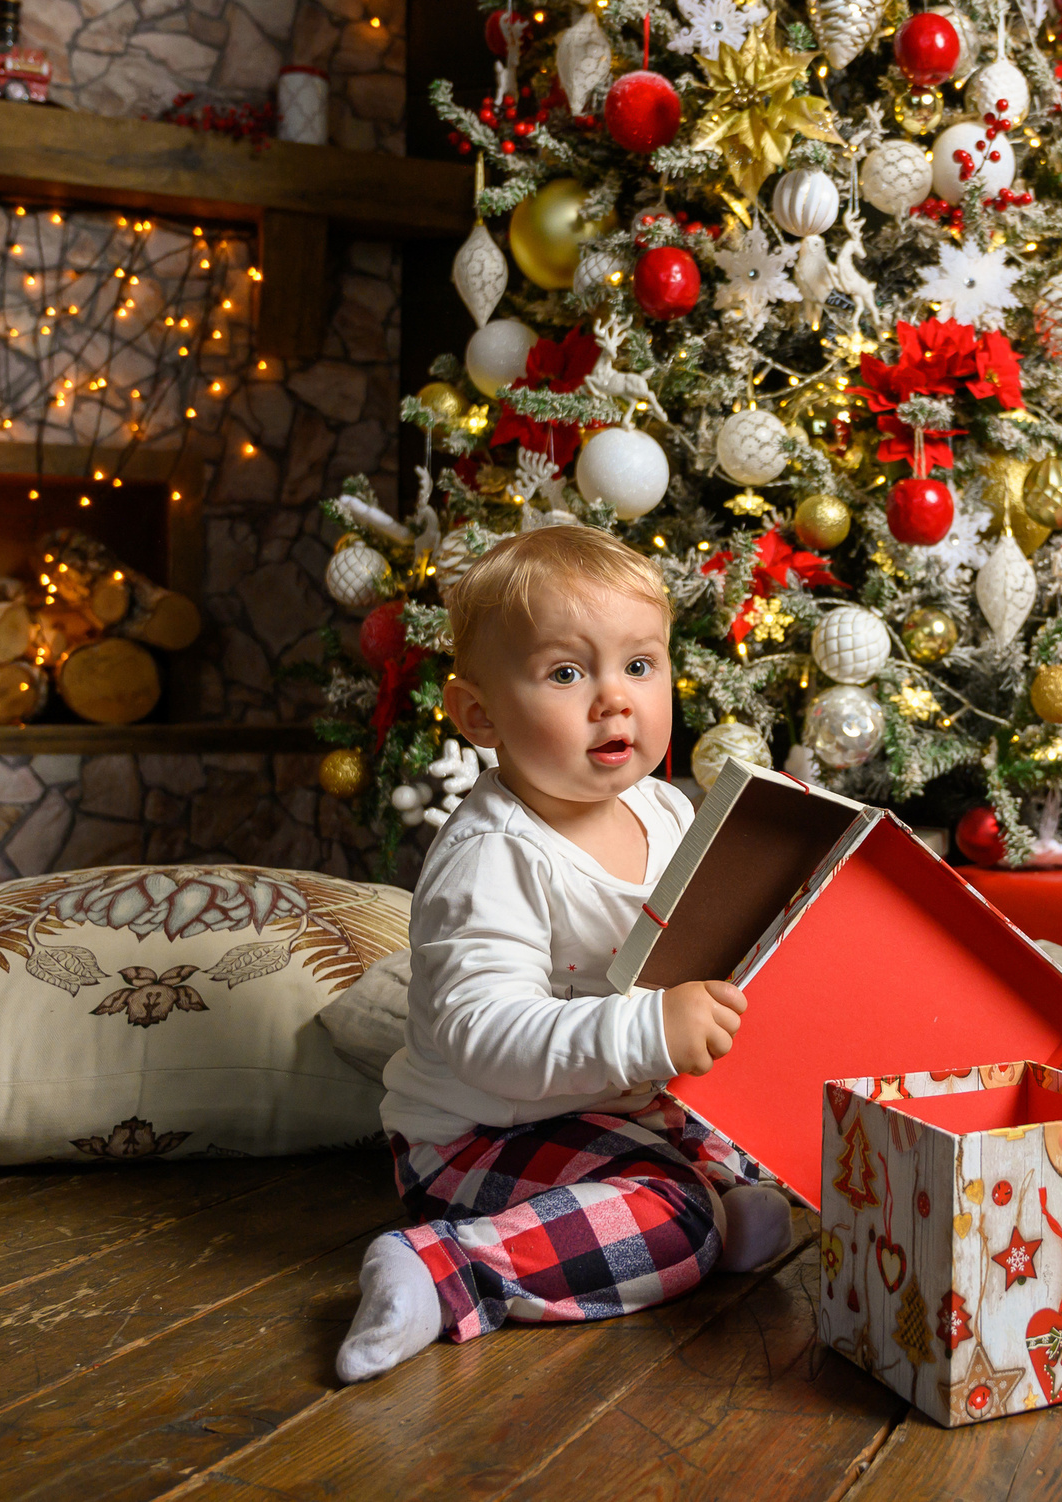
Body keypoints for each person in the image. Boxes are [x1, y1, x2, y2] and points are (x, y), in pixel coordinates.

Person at [335, 524, 795, 1383]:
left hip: (617, 1107)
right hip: (482, 1136)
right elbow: (487, 1035)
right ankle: (443, 1269)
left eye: (640, 666)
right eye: (566, 673)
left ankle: (704, 1206)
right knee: (675, 1223)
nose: (614, 700)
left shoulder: (665, 813)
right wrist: (651, 1029)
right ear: (480, 715)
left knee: (774, 1144)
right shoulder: (493, 855)